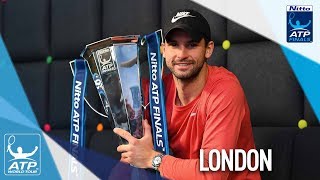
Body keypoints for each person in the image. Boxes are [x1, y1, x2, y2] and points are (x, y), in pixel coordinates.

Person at [113, 9, 261, 179]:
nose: (182, 55)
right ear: (163, 50)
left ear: (208, 49)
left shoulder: (225, 90)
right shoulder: (155, 91)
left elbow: (212, 174)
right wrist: (138, 153)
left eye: (192, 45)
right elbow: (132, 156)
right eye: (174, 45)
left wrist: (153, 159)